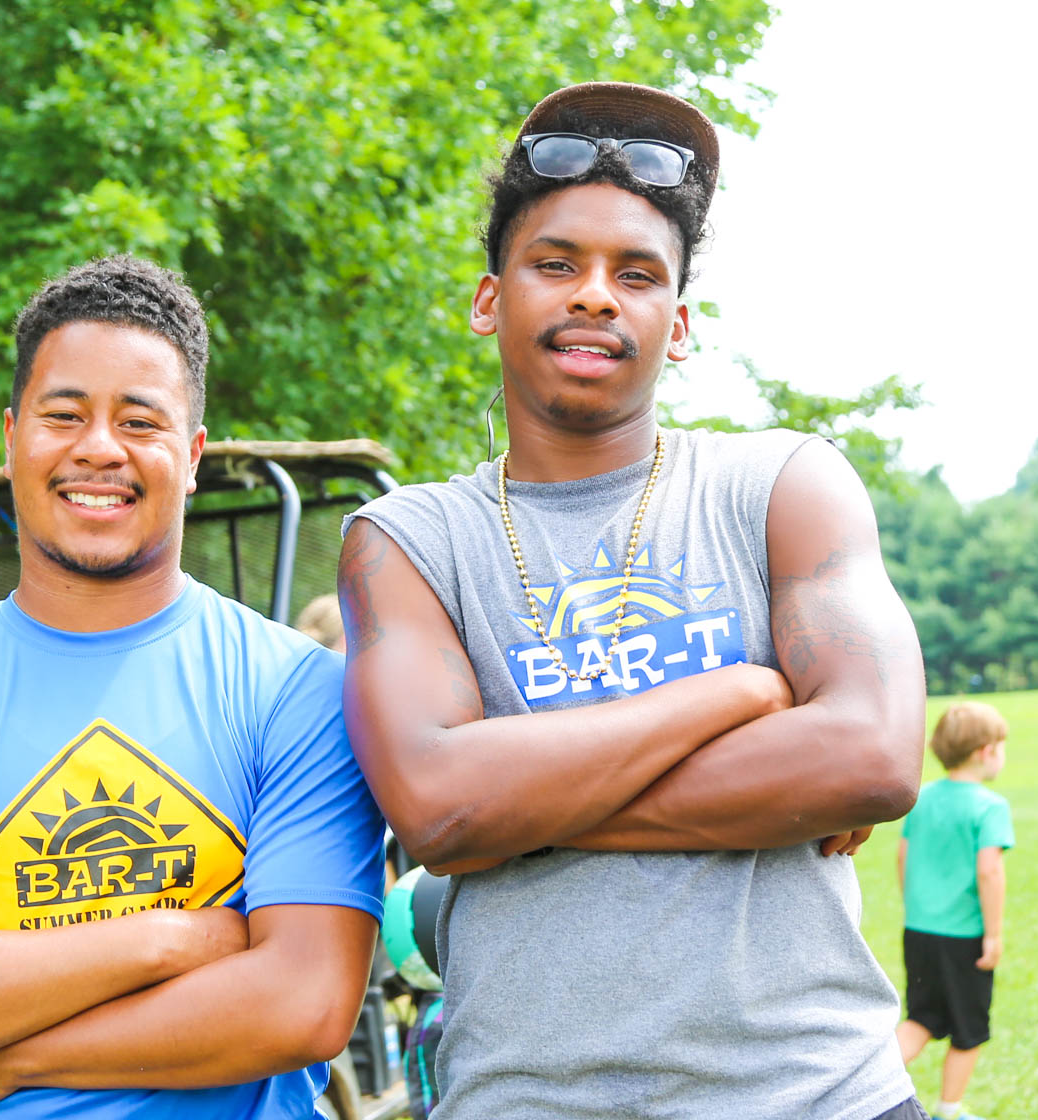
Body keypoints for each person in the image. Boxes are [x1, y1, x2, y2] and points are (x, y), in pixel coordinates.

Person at [339, 83, 926, 1120]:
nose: (596, 295)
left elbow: (872, 757)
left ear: (681, 322)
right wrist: (740, 694)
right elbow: (436, 806)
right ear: (490, 299)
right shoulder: (408, 539)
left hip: (819, 1094)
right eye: (556, 263)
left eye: (636, 274)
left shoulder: (783, 485)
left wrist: (520, 805)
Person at [0, 256, 385, 1117]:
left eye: (140, 421)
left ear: (190, 457)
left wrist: (4, 1061)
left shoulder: (297, 693)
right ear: (12, 439)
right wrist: (169, 938)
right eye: (65, 414)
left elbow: (301, 1005)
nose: (99, 448)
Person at [896, 702, 1015, 1120]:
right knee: (969, 1028)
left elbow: (903, 854)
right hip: (964, 936)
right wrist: (994, 935)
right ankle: (950, 1110)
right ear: (986, 751)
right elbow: (989, 871)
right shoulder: (990, 806)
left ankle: (866, 1085)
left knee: (922, 1017)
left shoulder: (922, 799)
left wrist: (916, 906)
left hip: (919, 930)